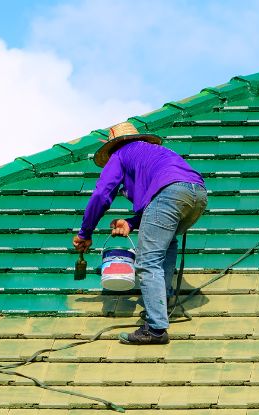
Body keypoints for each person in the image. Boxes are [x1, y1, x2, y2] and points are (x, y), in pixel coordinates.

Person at [72, 121, 207, 345]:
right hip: (198, 194)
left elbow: (101, 195)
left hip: (169, 194)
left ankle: (155, 329)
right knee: (166, 244)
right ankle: (160, 306)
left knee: (147, 261)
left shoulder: (120, 154)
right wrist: (132, 223)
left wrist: (85, 233)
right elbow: (161, 202)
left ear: (113, 145)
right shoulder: (154, 152)